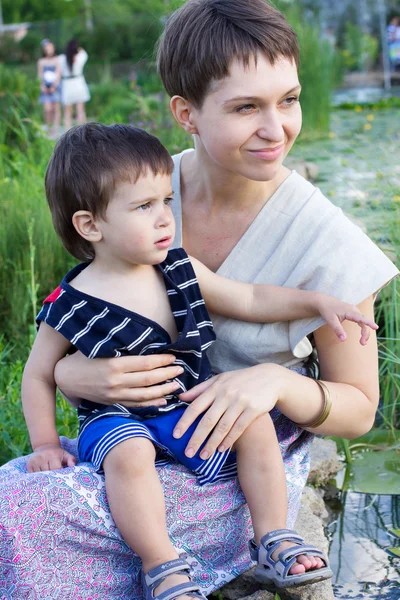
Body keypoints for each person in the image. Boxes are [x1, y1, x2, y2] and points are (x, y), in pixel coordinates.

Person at [0, 1, 398, 598]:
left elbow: (360, 410)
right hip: (139, 433)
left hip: (238, 454)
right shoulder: (146, 195)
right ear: (185, 113)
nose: (277, 128)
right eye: (246, 107)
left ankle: (224, 555)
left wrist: (273, 384)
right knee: (20, 492)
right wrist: (73, 373)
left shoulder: (328, 243)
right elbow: (76, 324)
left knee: (20, 515)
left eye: (288, 99)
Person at [59, 39, 90, 131]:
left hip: (67, 84)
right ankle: (82, 132)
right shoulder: (81, 56)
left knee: (67, 113)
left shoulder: (61, 58)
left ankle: (67, 132)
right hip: (78, 82)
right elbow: (83, 52)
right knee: (80, 111)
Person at [37, 39, 61, 139]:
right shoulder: (41, 61)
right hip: (45, 88)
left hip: (54, 87)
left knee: (56, 108)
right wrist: (42, 86)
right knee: (47, 109)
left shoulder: (56, 60)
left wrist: (54, 86)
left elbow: (59, 74)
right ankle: (49, 127)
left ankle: (56, 129)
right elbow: (39, 75)